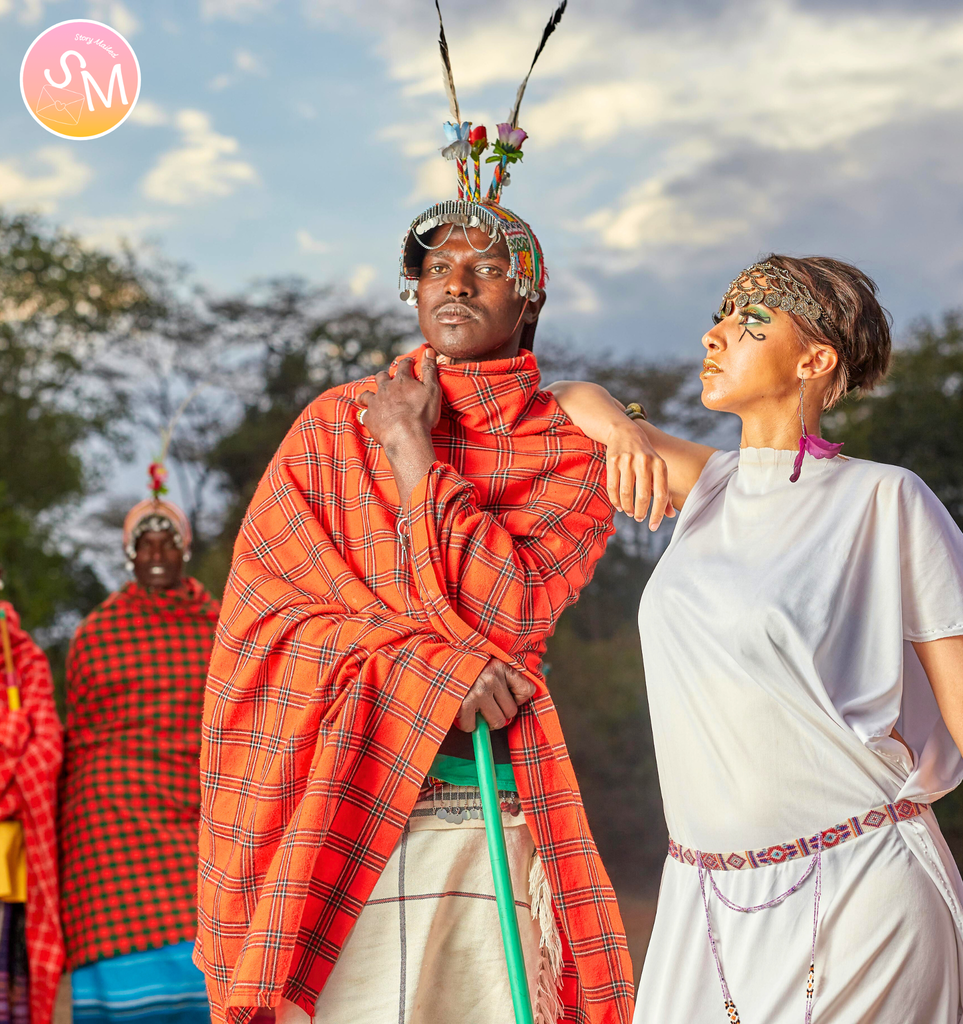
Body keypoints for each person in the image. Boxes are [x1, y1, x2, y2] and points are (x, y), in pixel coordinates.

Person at [193, 7, 633, 1024]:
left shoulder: (568, 450)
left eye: (484, 269)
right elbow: (263, 632)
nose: (455, 282)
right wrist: (430, 665)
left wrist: (412, 458)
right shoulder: (329, 424)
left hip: (486, 815)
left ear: (528, 299)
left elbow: (509, 616)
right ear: (412, 291)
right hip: (340, 818)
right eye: (436, 267)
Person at [548, 255, 963, 1023]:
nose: (714, 336)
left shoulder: (885, 499)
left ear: (814, 360)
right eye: (721, 317)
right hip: (703, 907)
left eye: (749, 324)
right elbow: (556, 400)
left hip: (864, 891)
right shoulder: (705, 488)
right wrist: (624, 432)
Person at [60, 490, 220, 1024]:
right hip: (112, 817)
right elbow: (80, 735)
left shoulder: (225, 627)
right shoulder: (97, 634)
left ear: (184, 551)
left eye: (166, 543)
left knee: (217, 939)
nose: (156, 554)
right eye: (144, 545)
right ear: (129, 556)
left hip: (202, 812)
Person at [0, 568, 63, 1024]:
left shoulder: (24, 658)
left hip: (12, 845)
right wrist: (14, 733)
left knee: (12, 968)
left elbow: (48, 748)